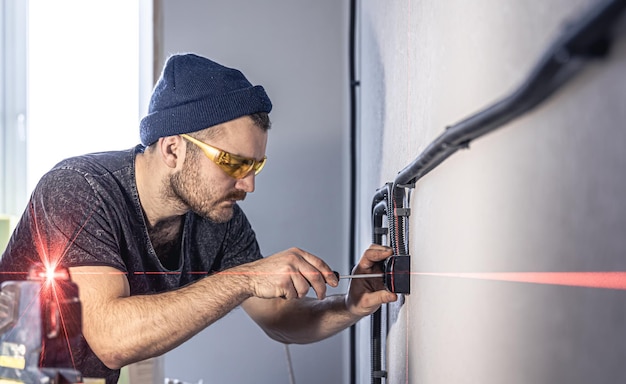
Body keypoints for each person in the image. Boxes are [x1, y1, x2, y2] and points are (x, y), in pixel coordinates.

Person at [0, 53, 397, 383]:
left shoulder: (220, 221)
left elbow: (277, 318)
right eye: (233, 163)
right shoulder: (79, 189)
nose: (249, 185)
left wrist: (350, 305)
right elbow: (111, 338)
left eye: (257, 165)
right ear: (173, 150)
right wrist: (243, 278)